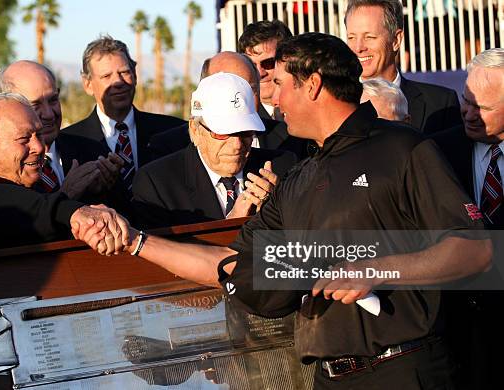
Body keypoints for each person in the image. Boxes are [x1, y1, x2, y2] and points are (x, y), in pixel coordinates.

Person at [74, 33, 492, 390]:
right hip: (329, 377)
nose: (273, 98)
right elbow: (233, 265)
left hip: (407, 369)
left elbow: (477, 251)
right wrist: (135, 241)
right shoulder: (297, 176)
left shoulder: (404, 148)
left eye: (280, 84)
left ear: (312, 85)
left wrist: (377, 268)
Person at [0, 92, 129, 254]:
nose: (38, 147)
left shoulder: (36, 184)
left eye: (39, 134)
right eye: (24, 139)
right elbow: (13, 213)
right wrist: (71, 209)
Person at [132, 72, 296, 229]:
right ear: (195, 131)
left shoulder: (282, 168)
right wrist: (232, 224)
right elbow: (162, 253)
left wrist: (276, 212)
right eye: (223, 133)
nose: (237, 144)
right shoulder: (157, 183)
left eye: (245, 132)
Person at [430, 47, 504, 389]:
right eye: (466, 100)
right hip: (455, 335)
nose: (469, 113)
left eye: (483, 108)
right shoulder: (435, 152)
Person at [63, 35, 186, 197]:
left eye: (124, 72)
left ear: (135, 75)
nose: (118, 82)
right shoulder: (68, 142)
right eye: (106, 76)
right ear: (88, 84)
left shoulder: (174, 131)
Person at [0, 60, 123, 202]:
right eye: (35, 104)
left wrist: (106, 189)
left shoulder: (94, 153)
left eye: (53, 100)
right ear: (10, 109)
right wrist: (66, 195)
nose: (49, 114)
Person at [147, 52, 309, 160]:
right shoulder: (169, 147)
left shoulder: (293, 138)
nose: (240, 99)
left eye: (249, 89)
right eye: (228, 91)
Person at [345, 0, 462, 134]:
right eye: (351, 37)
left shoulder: (441, 104)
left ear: (396, 40)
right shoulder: (335, 105)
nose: (358, 48)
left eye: (369, 37)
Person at [238, 20, 292, 121]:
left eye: (269, 63)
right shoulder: (241, 120)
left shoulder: (311, 110)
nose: (259, 73)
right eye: (251, 65)